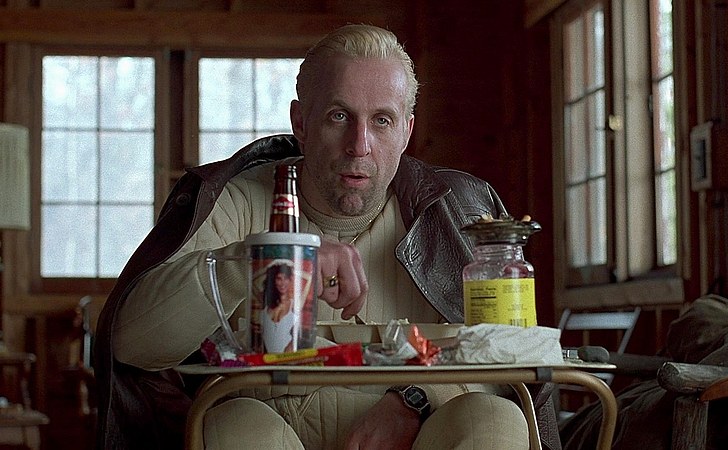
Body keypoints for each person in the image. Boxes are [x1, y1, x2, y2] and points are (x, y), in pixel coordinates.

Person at [95, 24, 559, 450]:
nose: (359, 145)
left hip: (419, 436)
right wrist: (271, 260)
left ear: (406, 132)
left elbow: (508, 362)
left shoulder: (457, 210)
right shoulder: (234, 200)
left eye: (382, 121)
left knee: (495, 419)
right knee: (231, 424)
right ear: (300, 122)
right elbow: (135, 346)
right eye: (339, 116)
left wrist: (416, 399)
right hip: (269, 430)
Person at [262, 263, 296, 353]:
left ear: (290, 280)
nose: (282, 283)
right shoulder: (267, 303)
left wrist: (294, 264)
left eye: (286, 278)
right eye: (279, 278)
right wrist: (269, 267)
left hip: (288, 356)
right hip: (266, 357)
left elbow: (309, 279)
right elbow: (252, 279)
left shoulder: (294, 304)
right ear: (274, 280)